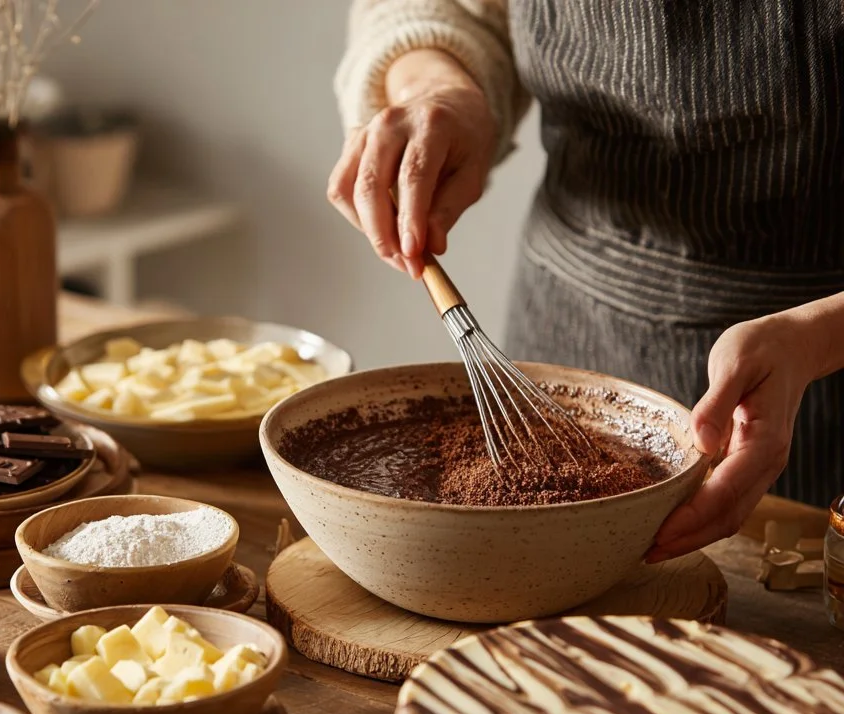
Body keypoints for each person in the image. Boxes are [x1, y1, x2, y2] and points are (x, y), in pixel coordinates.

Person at [328, 1, 844, 561]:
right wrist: (436, 84)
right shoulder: (514, 410)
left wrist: (817, 337)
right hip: (568, 308)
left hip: (822, 368)